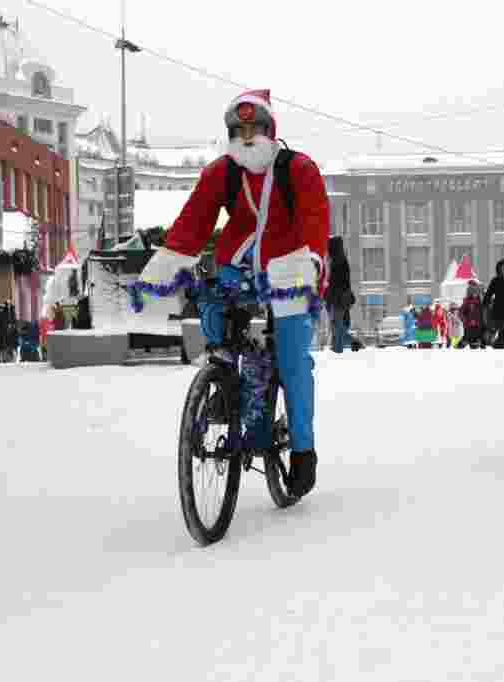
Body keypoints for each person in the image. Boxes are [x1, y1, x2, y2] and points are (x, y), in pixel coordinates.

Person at [135, 89, 329, 498]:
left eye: (254, 128)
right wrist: (164, 272)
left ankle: (302, 451)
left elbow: (314, 222)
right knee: (217, 328)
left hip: (289, 269)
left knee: (293, 361)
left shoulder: (299, 170)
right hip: (236, 266)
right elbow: (193, 222)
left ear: (269, 130)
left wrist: (312, 266)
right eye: (237, 129)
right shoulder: (221, 173)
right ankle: (223, 390)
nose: (246, 136)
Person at [325, 236, 354, 353]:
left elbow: (336, 282)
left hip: (338, 299)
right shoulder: (339, 260)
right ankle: (342, 347)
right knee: (337, 325)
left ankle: (339, 350)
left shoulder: (338, 261)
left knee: (337, 326)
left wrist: (328, 293)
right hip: (339, 299)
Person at [458, 281, 485, 348]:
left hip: (478, 326)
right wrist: (465, 320)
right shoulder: (468, 302)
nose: (475, 294)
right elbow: (461, 312)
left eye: (476, 293)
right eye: (473, 293)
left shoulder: (481, 303)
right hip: (469, 326)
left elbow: (483, 313)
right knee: (469, 341)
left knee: (477, 343)